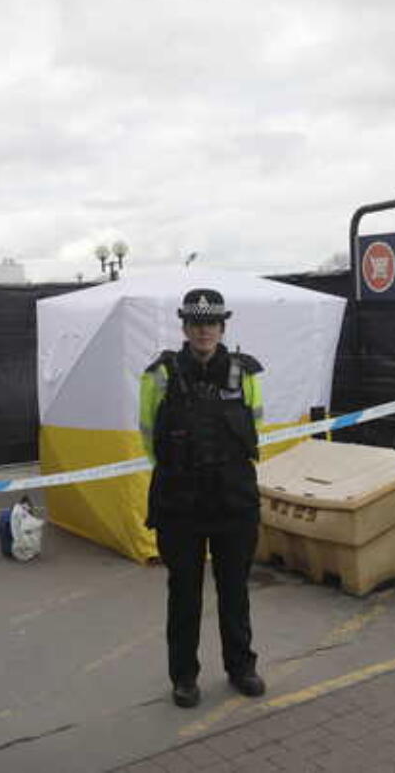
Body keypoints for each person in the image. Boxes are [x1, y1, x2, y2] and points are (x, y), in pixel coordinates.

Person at [138, 288, 267, 707]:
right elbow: (147, 438)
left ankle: (241, 667)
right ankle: (184, 677)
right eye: (195, 323)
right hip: (181, 502)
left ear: (222, 327)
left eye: (211, 323)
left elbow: (255, 428)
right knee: (184, 594)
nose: (203, 331)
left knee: (235, 590)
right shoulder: (159, 374)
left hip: (233, 500)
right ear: (184, 327)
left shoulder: (244, 373)